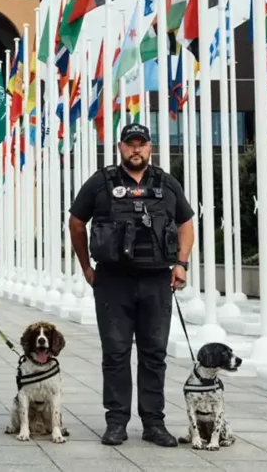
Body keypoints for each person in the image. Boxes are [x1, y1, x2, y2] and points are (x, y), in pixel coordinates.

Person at [68, 123, 194, 448]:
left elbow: (186, 223)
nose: (135, 150)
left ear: (150, 146)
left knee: (154, 355)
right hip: (113, 281)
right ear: (119, 147)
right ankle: (116, 422)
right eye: (129, 144)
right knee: (116, 354)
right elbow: (76, 222)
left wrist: (181, 263)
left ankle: (154, 423)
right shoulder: (101, 182)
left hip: (156, 280)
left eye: (141, 144)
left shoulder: (166, 183)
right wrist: (86, 266)